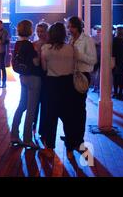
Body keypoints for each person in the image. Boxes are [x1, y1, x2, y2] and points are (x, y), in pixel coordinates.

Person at [40, 22, 75, 159]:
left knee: (51, 117)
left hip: (52, 84)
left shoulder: (46, 49)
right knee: (68, 117)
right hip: (67, 84)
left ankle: (49, 148)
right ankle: (70, 150)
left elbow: (44, 68)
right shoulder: (70, 49)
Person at [67, 16, 97, 155]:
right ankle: (71, 136)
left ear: (77, 26)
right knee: (71, 109)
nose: (69, 29)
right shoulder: (71, 39)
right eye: (68, 27)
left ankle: (79, 140)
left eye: (71, 26)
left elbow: (93, 60)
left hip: (82, 76)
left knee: (79, 109)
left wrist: (77, 54)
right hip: (71, 75)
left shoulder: (88, 40)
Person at [10, 20, 41, 149]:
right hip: (33, 78)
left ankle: (14, 135)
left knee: (21, 105)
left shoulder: (17, 44)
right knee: (31, 109)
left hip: (22, 77)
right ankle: (27, 139)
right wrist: (38, 53)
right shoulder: (29, 45)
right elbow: (36, 63)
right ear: (30, 30)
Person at [32, 22, 49, 138]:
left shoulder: (51, 45)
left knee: (46, 103)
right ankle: (33, 124)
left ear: (47, 31)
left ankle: (44, 129)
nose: (39, 33)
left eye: (42, 31)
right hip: (37, 75)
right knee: (35, 102)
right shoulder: (34, 44)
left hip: (48, 76)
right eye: (38, 31)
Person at [112, 27, 123, 100]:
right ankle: (120, 93)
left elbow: (112, 51)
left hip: (115, 60)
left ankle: (115, 93)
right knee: (121, 77)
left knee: (115, 77)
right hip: (122, 60)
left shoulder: (114, 40)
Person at [91, 25, 101, 92]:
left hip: (96, 56)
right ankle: (97, 86)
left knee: (95, 72)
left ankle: (95, 86)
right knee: (98, 73)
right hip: (101, 56)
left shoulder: (93, 37)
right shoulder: (104, 37)